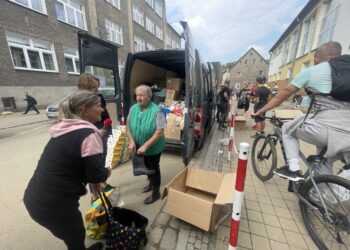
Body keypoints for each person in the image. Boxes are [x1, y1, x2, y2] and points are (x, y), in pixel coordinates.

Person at [23, 91, 110, 250]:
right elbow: (95, 175)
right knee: (75, 236)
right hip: (55, 205)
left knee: (70, 234)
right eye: (98, 106)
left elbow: (73, 153)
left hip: (34, 199)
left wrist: (96, 135)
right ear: (85, 110)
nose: (102, 109)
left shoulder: (64, 128)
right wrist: (107, 171)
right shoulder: (89, 135)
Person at [253, 41, 350, 181]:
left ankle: (293, 169)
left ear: (316, 57)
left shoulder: (313, 71)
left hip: (325, 128)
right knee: (323, 161)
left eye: (314, 59)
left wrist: (259, 112)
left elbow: (279, 99)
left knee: (287, 129)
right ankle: (317, 199)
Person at [126, 85, 166, 205]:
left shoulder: (156, 111)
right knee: (145, 166)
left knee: (153, 169)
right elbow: (127, 126)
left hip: (153, 148)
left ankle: (156, 192)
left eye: (142, 95)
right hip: (138, 146)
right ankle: (150, 185)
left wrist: (145, 146)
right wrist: (131, 140)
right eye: (137, 95)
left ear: (149, 97)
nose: (139, 98)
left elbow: (160, 132)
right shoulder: (133, 108)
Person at [77, 73, 111, 163]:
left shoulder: (97, 96)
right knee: (96, 156)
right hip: (94, 130)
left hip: (102, 128)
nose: (97, 89)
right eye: (94, 87)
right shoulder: (80, 101)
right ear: (85, 86)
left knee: (104, 150)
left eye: (97, 87)